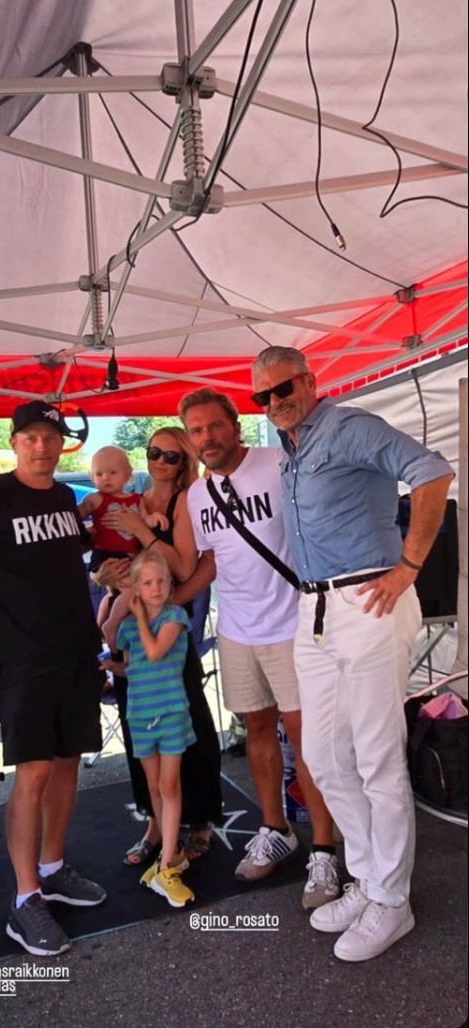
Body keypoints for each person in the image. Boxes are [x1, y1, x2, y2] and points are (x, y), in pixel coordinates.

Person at [251, 346, 454, 962]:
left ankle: (392, 899)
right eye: (262, 396)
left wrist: (409, 567)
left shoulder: (348, 427)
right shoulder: (290, 449)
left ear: (309, 381)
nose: (274, 403)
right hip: (315, 609)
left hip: (369, 599)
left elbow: (432, 472)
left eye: (283, 388)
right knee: (323, 755)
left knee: (375, 755)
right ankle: (368, 878)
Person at [0, 401, 106, 957]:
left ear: (62, 445)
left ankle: (53, 867)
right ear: (14, 442)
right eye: (30, 437)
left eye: (50, 437)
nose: (41, 446)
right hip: (21, 660)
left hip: (76, 652)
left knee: (67, 763)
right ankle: (25, 898)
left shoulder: (63, 498)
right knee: (33, 772)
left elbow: (71, 560)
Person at [177, 387, 338, 912]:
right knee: (258, 732)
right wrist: (170, 601)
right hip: (238, 630)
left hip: (293, 626)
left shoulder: (277, 463)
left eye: (214, 426)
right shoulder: (197, 495)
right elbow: (212, 561)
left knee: (308, 740)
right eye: (196, 431)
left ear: (235, 425)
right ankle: (276, 829)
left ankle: (324, 848)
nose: (207, 437)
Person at [94, 426, 223, 865]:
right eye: (154, 452)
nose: (161, 462)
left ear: (185, 460)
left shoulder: (185, 500)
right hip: (130, 623)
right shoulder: (132, 498)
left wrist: (140, 530)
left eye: (172, 455)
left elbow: (186, 567)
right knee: (137, 725)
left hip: (167, 626)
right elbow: (106, 553)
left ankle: (200, 818)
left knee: (189, 720)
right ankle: (154, 821)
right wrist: (105, 578)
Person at [105, 548, 196, 907]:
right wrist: (111, 666)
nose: (155, 587)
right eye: (146, 583)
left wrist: (141, 616)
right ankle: (170, 855)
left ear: (170, 584)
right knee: (155, 786)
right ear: (135, 589)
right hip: (141, 713)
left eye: (161, 581)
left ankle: (168, 863)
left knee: (170, 785)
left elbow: (156, 652)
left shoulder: (175, 616)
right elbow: (134, 666)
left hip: (170, 711)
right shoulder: (130, 628)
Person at [79, 445, 167, 632]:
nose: (105, 478)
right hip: (106, 554)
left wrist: (154, 518)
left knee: (115, 593)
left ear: (128, 475)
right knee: (132, 590)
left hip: (130, 556)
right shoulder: (95, 499)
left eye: (112, 472)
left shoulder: (137, 500)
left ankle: (101, 627)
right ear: (92, 476)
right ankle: (111, 625)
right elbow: (78, 514)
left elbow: (145, 519)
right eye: (99, 474)